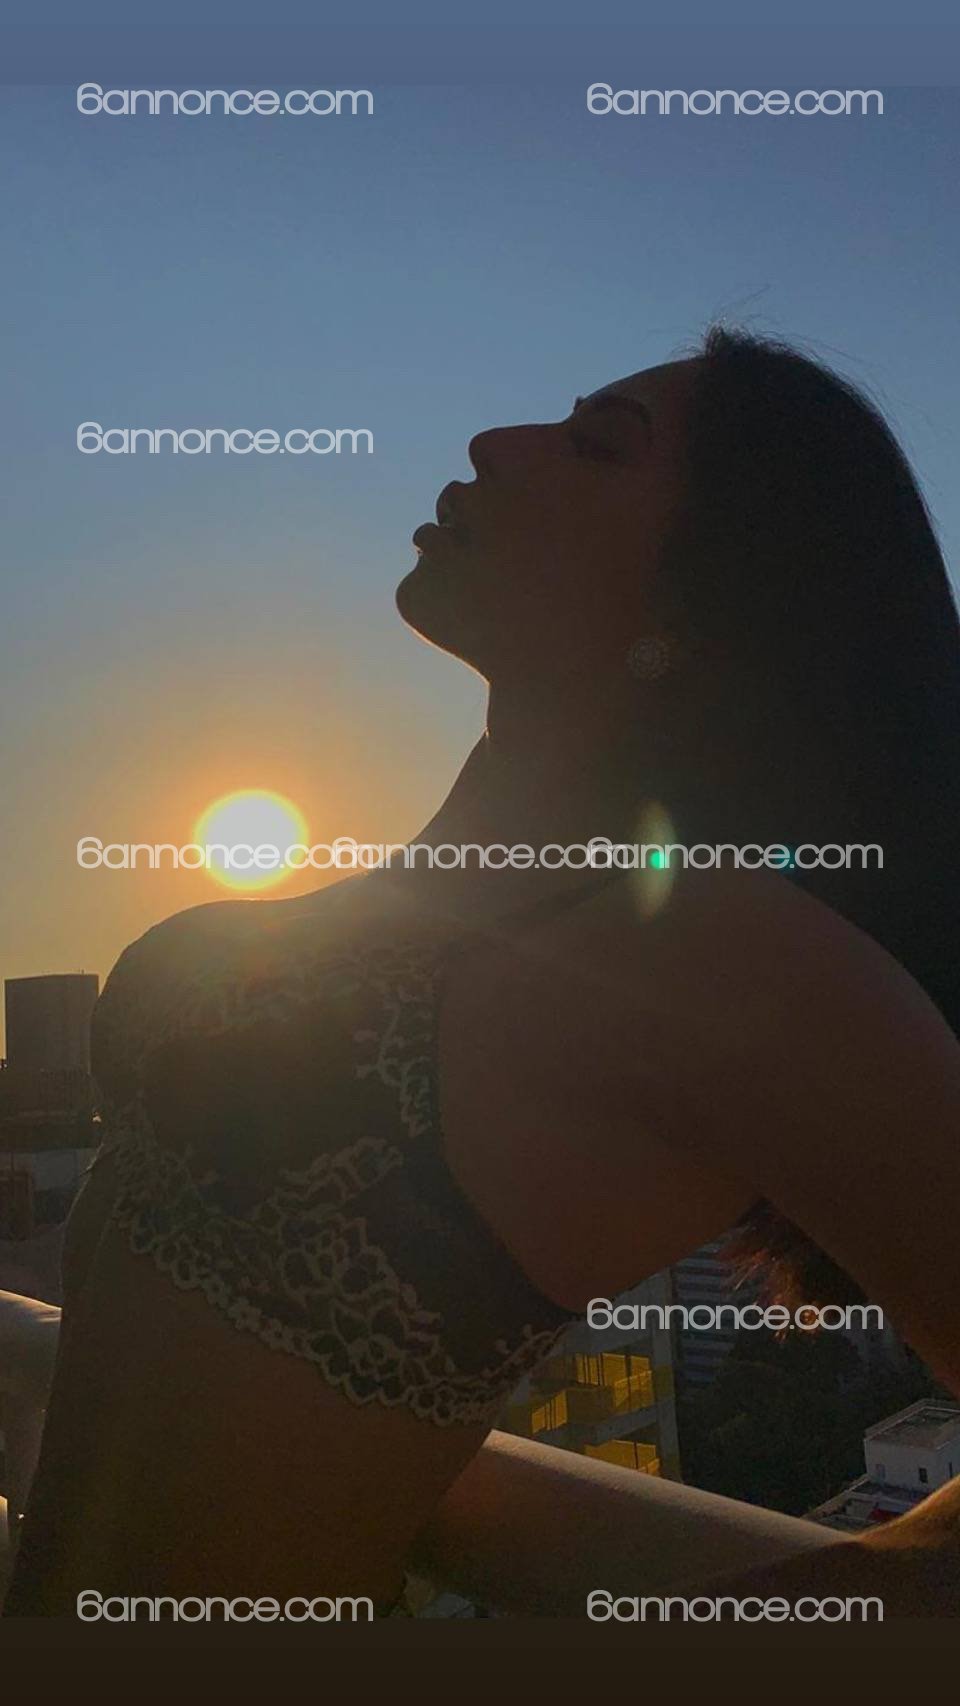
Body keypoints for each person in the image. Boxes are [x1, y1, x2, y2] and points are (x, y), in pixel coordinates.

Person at [5, 328, 960, 1618]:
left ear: (711, 596)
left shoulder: (719, 961)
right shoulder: (395, 899)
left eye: (595, 446)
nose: (493, 442)